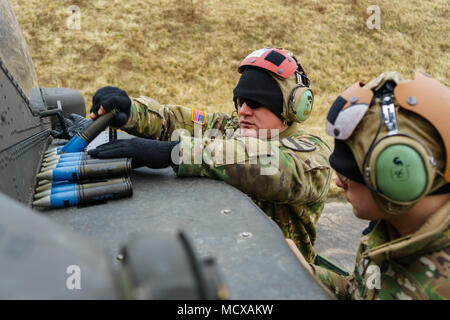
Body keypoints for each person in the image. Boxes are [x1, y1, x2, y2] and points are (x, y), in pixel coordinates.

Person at [53, 48, 332, 262]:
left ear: (292, 107)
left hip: (277, 275)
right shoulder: (236, 129)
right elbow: (178, 121)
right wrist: (130, 112)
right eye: (239, 101)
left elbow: (270, 167)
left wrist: (175, 152)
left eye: (256, 102)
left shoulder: (312, 154)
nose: (243, 110)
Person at [293, 71, 450, 299]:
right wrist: (308, 273)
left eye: (348, 175)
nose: (338, 182)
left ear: (398, 172)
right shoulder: (386, 229)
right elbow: (361, 292)